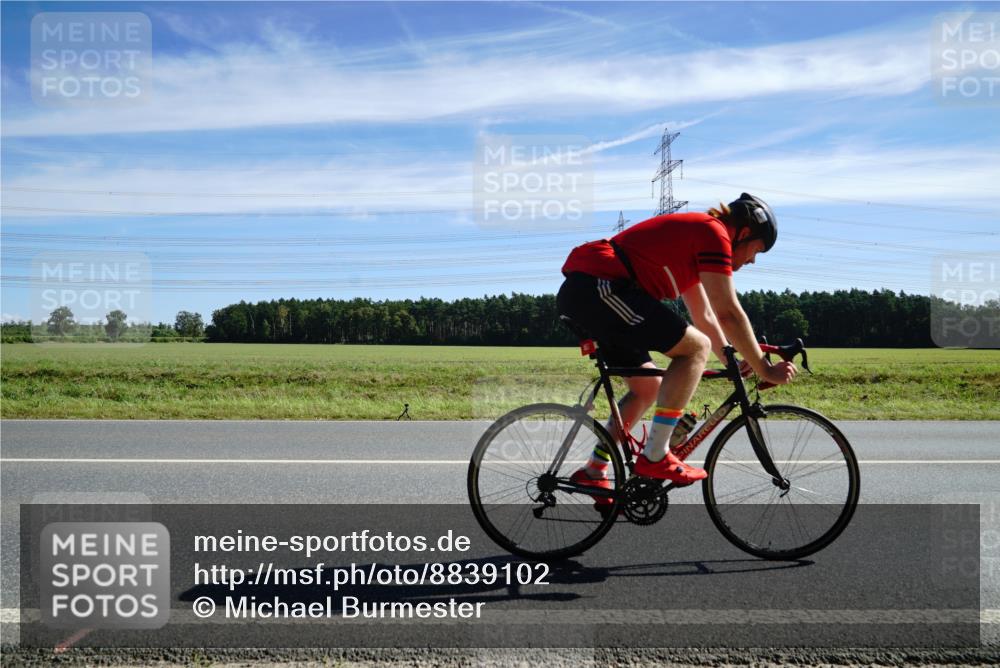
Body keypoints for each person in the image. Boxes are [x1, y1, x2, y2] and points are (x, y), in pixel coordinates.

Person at [556, 193, 797, 504]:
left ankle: (594, 470)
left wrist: (732, 360)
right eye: (757, 251)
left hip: (595, 294)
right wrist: (765, 368)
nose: (752, 260)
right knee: (696, 348)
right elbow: (728, 312)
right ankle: (656, 454)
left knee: (648, 388)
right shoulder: (713, 232)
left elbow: (705, 315)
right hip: (600, 289)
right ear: (745, 233)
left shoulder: (694, 245)